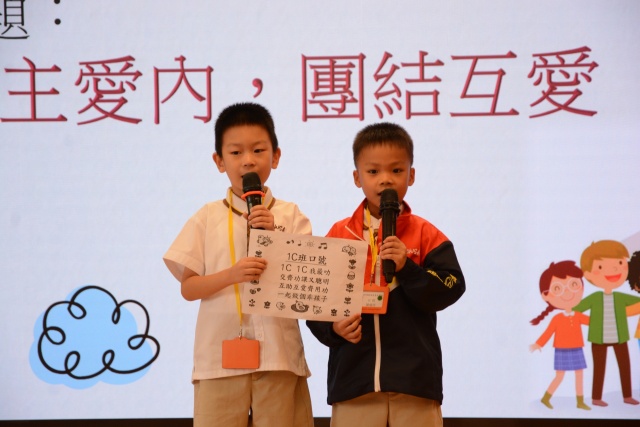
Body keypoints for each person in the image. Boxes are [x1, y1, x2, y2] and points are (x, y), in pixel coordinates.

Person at [163, 102, 314, 427]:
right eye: (235, 152)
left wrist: (273, 236)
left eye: (258, 150)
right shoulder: (207, 217)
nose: (248, 160)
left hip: (278, 357)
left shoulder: (290, 215)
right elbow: (189, 288)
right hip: (219, 359)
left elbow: (305, 285)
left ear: (275, 156)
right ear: (219, 161)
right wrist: (231, 275)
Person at [306, 122, 465, 427]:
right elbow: (314, 303)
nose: (385, 179)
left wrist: (408, 268)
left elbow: (452, 286)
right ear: (357, 177)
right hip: (354, 384)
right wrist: (334, 329)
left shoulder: (426, 233)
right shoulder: (340, 234)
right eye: (373, 171)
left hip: (415, 384)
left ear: (411, 175)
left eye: (396, 170)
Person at [573, 240, 640, 407]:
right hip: (598, 338)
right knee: (599, 368)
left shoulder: (620, 298)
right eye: (601, 267)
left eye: (620, 263)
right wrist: (589, 322)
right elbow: (576, 309)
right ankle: (596, 398)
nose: (614, 270)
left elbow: (637, 303)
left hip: (620, 338)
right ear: (588, 274)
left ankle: (627, 396)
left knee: (625, 366)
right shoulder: (595, 298)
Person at [529, 261, 591, 410]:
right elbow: (548, 332)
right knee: (560, 375)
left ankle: (580, 401)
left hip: (577, 348)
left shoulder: (578, 315)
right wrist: (538, 343)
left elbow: (592, 322)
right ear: (546, 295)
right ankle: (546, 398)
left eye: (573, 285)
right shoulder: (557, 318)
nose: (568, 292)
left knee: (579, 374)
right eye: (557, 288)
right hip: (562, 350)